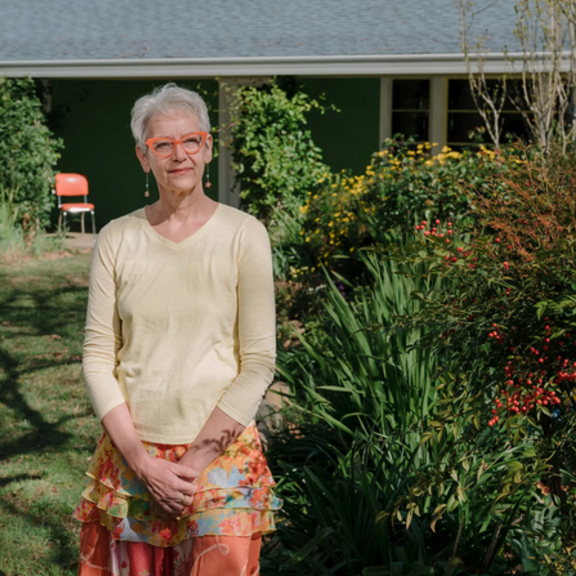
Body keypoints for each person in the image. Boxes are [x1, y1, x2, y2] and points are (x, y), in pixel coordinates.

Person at [73, 83, 280, 576]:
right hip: (131, 462)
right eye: (162, 145)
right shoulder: (116, 239)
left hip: (220, 460)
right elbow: (98, 358)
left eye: (190, 140)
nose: (178, 154)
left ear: (207, 147)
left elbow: (258, 363)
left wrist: (188, 468)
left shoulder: (244, 235)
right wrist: (145, 465)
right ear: (144, 158)